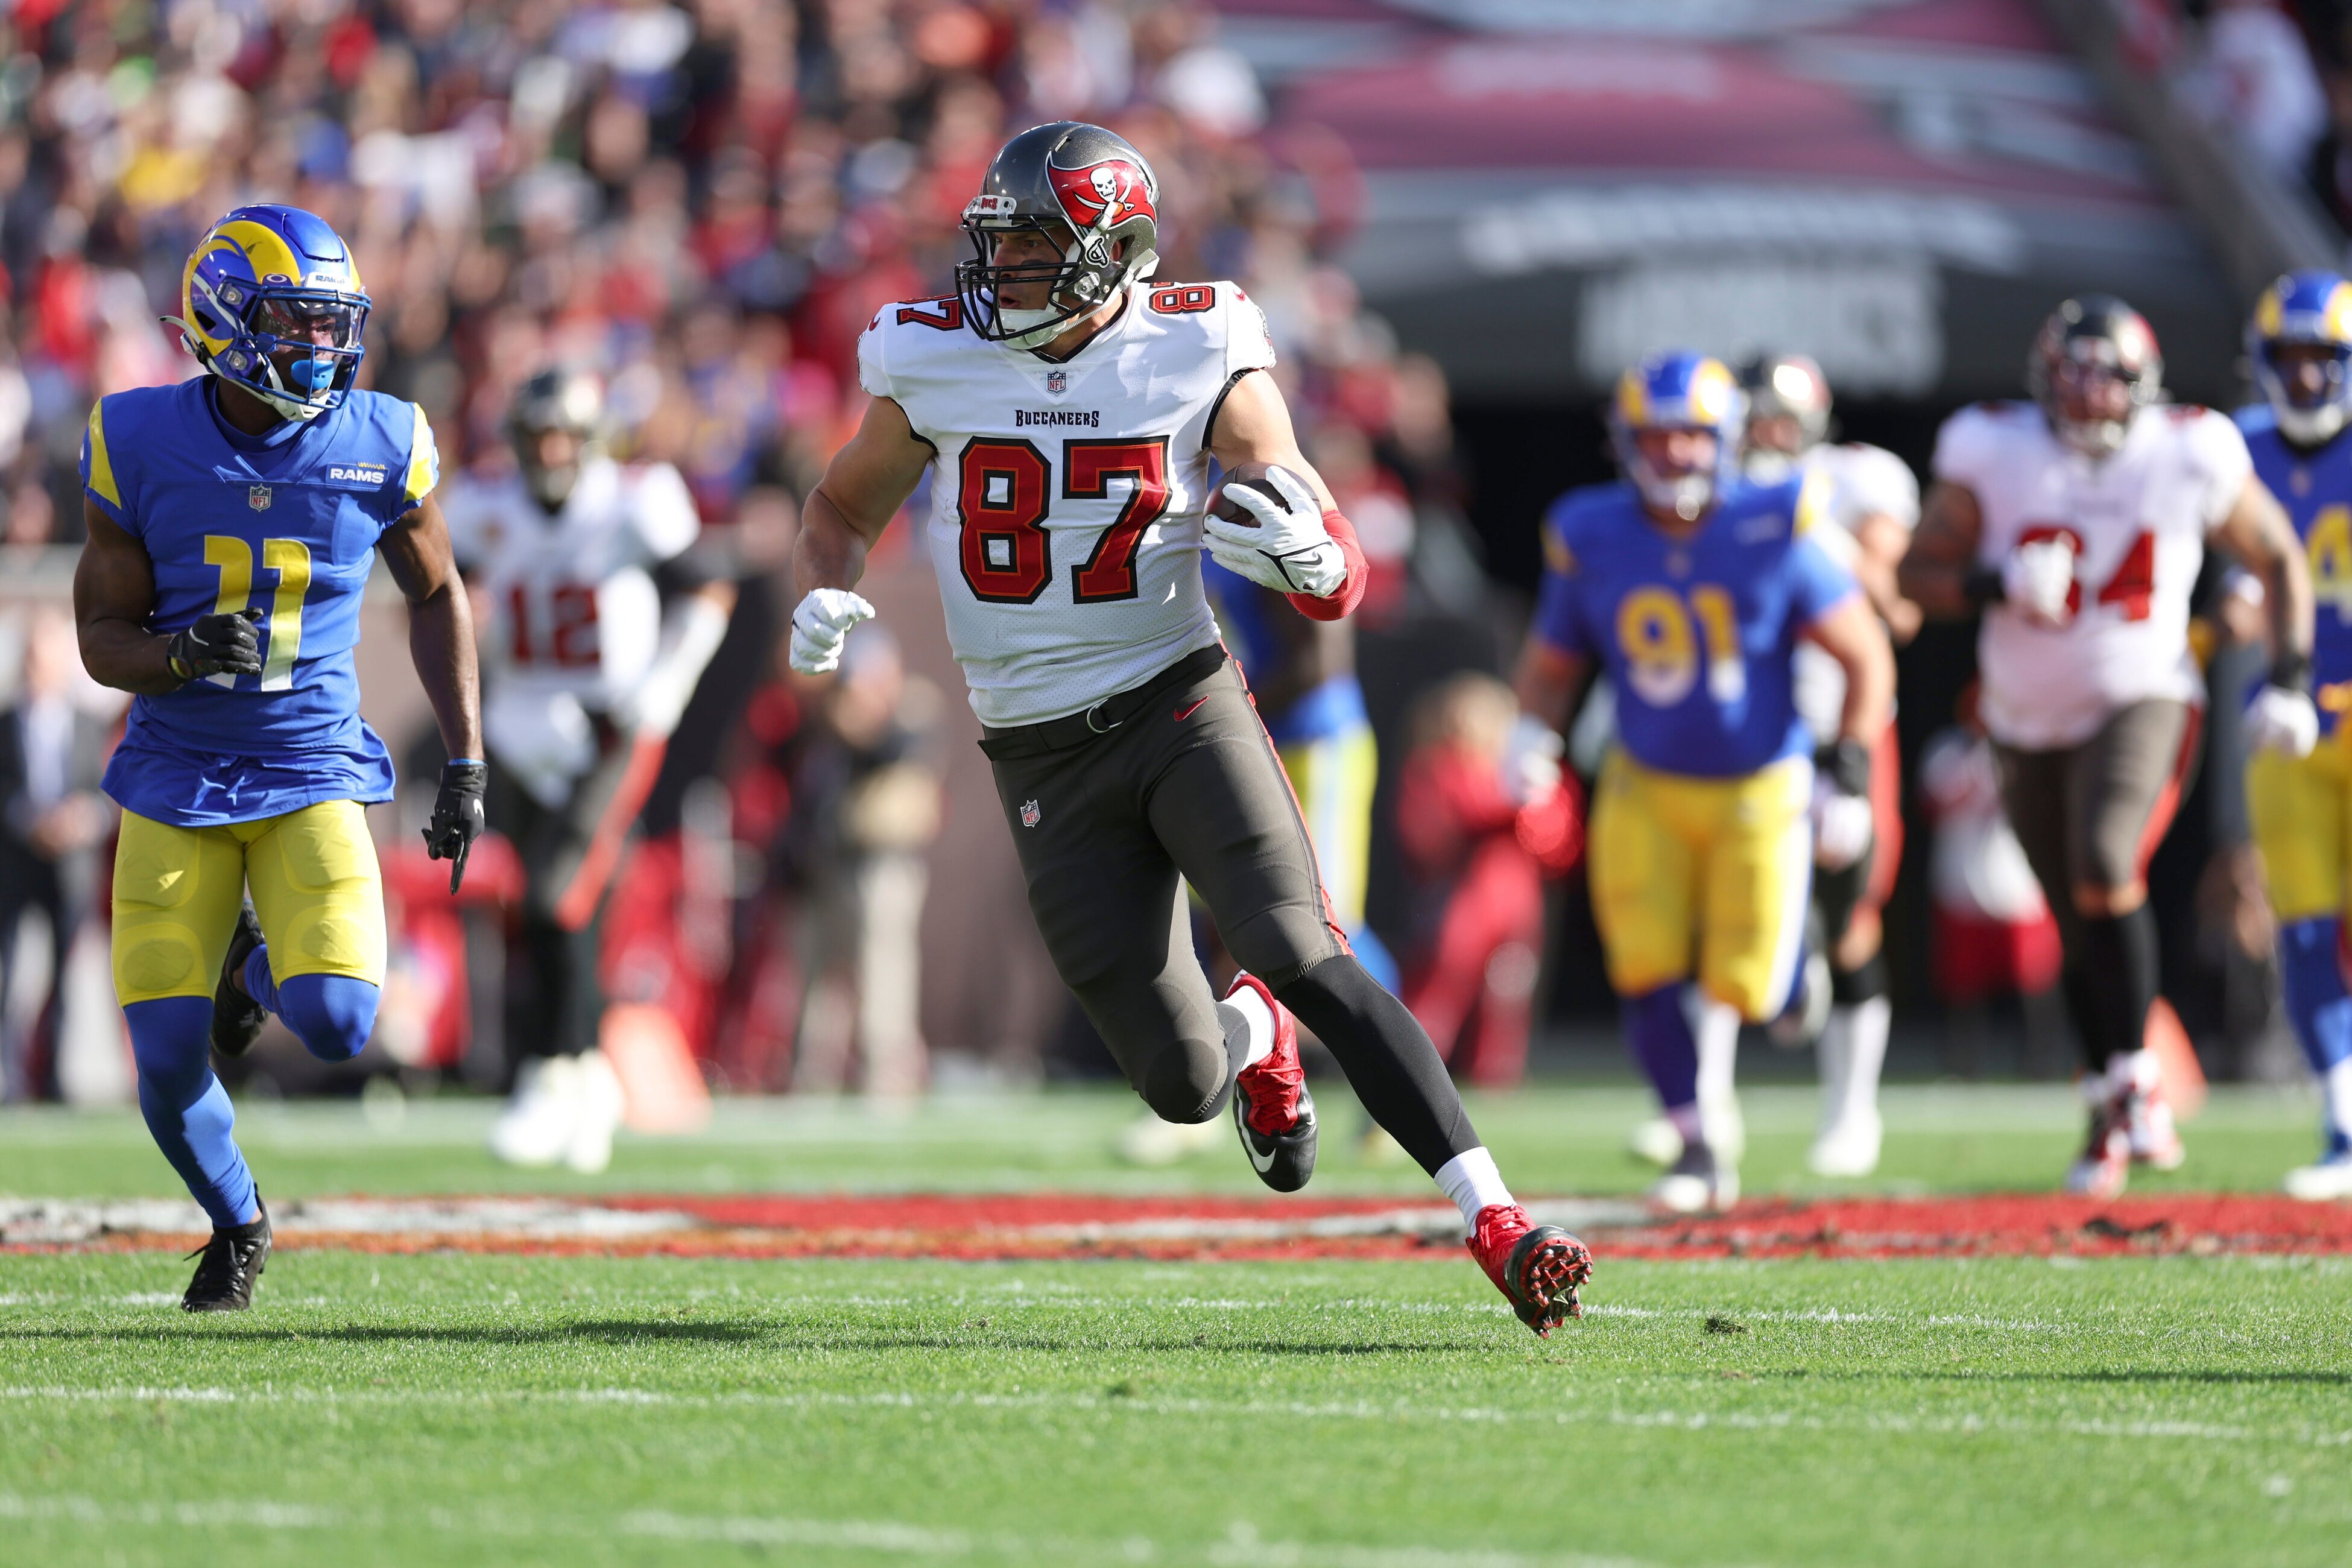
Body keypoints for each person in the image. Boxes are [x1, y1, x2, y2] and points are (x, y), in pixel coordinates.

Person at [785, 121, 1590, 1333]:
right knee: (1181, 1084)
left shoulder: (1198, 341)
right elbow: (842, 502)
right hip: (1038, 749)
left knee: (1303, 945)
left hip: (1179, 699)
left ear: (1114, 256)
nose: (1002, 272)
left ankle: (1495, 1214)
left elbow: (1322, 547)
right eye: (1000, 244)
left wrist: (1321, 560)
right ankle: (1248, 1031)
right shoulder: (933, 357)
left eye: (1037, 248)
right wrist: (826, 586)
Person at [71, 204, 484, 1310]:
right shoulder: (138, 437)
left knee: (345, 1023)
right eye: (294, 323)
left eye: (331, 325)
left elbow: (439, 592)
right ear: (220, 318)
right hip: (174, 776)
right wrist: (176, 652)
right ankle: (239, 1221)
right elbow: (100, 642)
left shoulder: (382, 439)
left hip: (310, 770)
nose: (320, 349)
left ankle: (252, 969)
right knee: (162, 1057)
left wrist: (468, 761)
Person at [1898, 294, 2315, 1199]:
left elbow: (2279, 555)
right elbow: (1915, 575)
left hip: (2146, 691)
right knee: (2074, 915)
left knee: (2102, 860)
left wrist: (2287, 674)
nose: (2089, 397)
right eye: (2072, 376)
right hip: (2020, 715)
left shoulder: (2189, 448)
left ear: (2145, 387)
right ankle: (2108, 1101)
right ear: (2044, 381)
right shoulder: (1994, 447)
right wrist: (1993, 579)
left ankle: (2133, 1080)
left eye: (2109, 377)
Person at [1514, 350, 1894, 1214]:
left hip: (1759, 787)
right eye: (1659, 437)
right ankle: (1695, 1142)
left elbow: (1864, 655)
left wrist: (1849, 772)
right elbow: (1551, 661)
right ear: (1625, 442)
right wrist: (1530, 737)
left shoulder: (1772, 521)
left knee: (1751, 991)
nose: (1677, 455)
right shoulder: (1591, 531)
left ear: (1726, 440)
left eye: (1693, 436)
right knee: (1644, 964)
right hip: (1643, 781)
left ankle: (1797, 975)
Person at [441, 368, 735, 1173]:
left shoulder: (634, 500)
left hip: (609, 728)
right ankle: (580, 1073)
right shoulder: (485, 507)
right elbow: (435, 592)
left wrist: (665, 686)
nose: (551, 451)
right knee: (543, 909)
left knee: (556, 896)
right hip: (520, 722)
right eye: (538, 437)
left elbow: (711, 589)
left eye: (564, 435)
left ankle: (554, 1073)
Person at [1738, 353, 1920, 1176]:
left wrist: (1809, 517)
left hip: (1842, 726)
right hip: (1747, 733)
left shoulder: (1854, 481)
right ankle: (1698, 1109)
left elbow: (1898, 606)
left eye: (1777, 416)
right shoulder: (1714, 489)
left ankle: (1854, 1112)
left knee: (1851, 915)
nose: (1763, 434)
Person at [2235, 270, 2352, 1201]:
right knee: (2306, 927)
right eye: (2294, 359)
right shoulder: (2232, 451)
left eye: (2326, 360)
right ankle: (2344, 1123)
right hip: (2288, 722)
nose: (2308, 379)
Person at [1394, 672, 1581, 1087]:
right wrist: (1515, 806)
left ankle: (1496, 1077)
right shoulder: (1437, 770)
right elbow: (1434, 833)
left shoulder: (1516, 771)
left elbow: (1559, 844)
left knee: (1507, 999)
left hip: (1515, 905)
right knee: (1440, 991)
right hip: (1463, 902)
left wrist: (1542, 802)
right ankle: (1412, 1072)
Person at [0, 607, 115, 1102]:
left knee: (65, 979)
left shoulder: (87, 723)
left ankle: (53, 1081)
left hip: (70, 868)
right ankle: (9, 1078)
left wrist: (81, 819)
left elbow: (106, 792)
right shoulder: (6, 723)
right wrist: (31, 820)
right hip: (16, 866)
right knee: (7, 976)